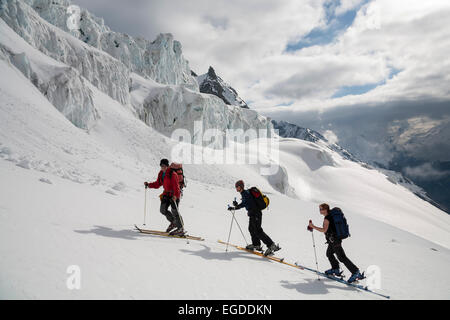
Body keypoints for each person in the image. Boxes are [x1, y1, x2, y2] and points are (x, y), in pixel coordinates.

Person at [308, 203, 363, 283]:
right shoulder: (330, 216)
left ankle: (355, 272)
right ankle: (335, 269)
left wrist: (313, 226)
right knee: (329, 254)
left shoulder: (327, 218)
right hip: (333, 240)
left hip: (335, 240)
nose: (320, 211)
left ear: (325, 209)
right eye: (319, 209)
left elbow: (324, 230)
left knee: (342, 257)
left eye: (321, 209)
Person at [228, 180, 280, 256]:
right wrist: (235, 206)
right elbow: (245, 203)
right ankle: (256, 244)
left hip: (256, 214)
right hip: (253, 214)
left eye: (238, 187)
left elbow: (245, 203)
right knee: (251, 229)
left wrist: (236, 206)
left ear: (241, 186)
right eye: (236, 187)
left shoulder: (246, 193)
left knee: (258, 231)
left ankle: (271, 245)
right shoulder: (244, 193)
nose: (237, 188)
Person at [144, 159, 183, 235]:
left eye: (164, 166)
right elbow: (158, 183)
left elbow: (176, 186)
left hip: (174, 194)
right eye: (161, 166)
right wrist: (149, 185)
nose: (163, 167)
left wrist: (176, 195)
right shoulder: (161, 173)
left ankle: (180, 228)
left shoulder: (173, 174)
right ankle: (174, 222)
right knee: (163, 210)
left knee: (174, 211)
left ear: (167, 166)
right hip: (166, 194)